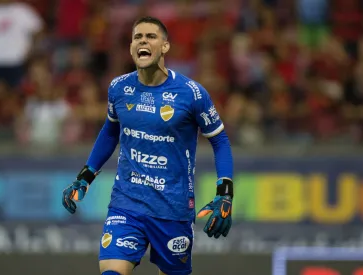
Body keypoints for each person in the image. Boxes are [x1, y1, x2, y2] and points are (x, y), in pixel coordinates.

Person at [62, 16, 234, 275]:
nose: (143, 41)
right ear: (131, 47)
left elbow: (219, 140)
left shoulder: (192, 93)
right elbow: (110, 131)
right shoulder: (118, 88)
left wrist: (225, 193)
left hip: (172, 209)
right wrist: (85, 177)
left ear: (165, 46)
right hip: (126, 203)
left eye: (151, 36)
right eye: (137, 37)